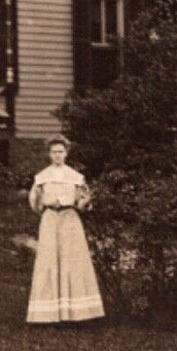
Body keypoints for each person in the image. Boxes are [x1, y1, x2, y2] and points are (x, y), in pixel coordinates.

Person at [26, 135, 105, 324]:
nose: (57, 155)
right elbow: (35, 204)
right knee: (49, 260)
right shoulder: (42, 177)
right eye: (54, 152)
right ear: (49, 154)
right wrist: (41, 201)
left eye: (61, 151)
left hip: (70, 219)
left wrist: (85, 201)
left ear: (66, 153)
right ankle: (49, 314)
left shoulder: (75, 177)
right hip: (50, 219)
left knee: (72, 261)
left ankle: (77, 313)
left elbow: (82, 203)